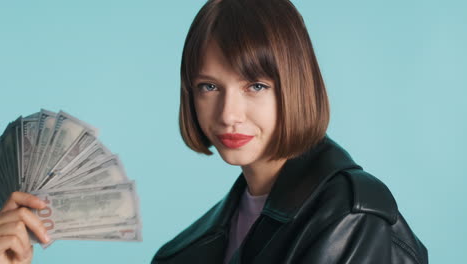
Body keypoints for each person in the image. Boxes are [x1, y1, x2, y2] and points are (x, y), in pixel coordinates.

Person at [151, 0, 428, 264]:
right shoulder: (184, 249)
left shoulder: (350, 217)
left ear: (295, 87)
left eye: (256, 86)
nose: (228, 115)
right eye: (209, 87)